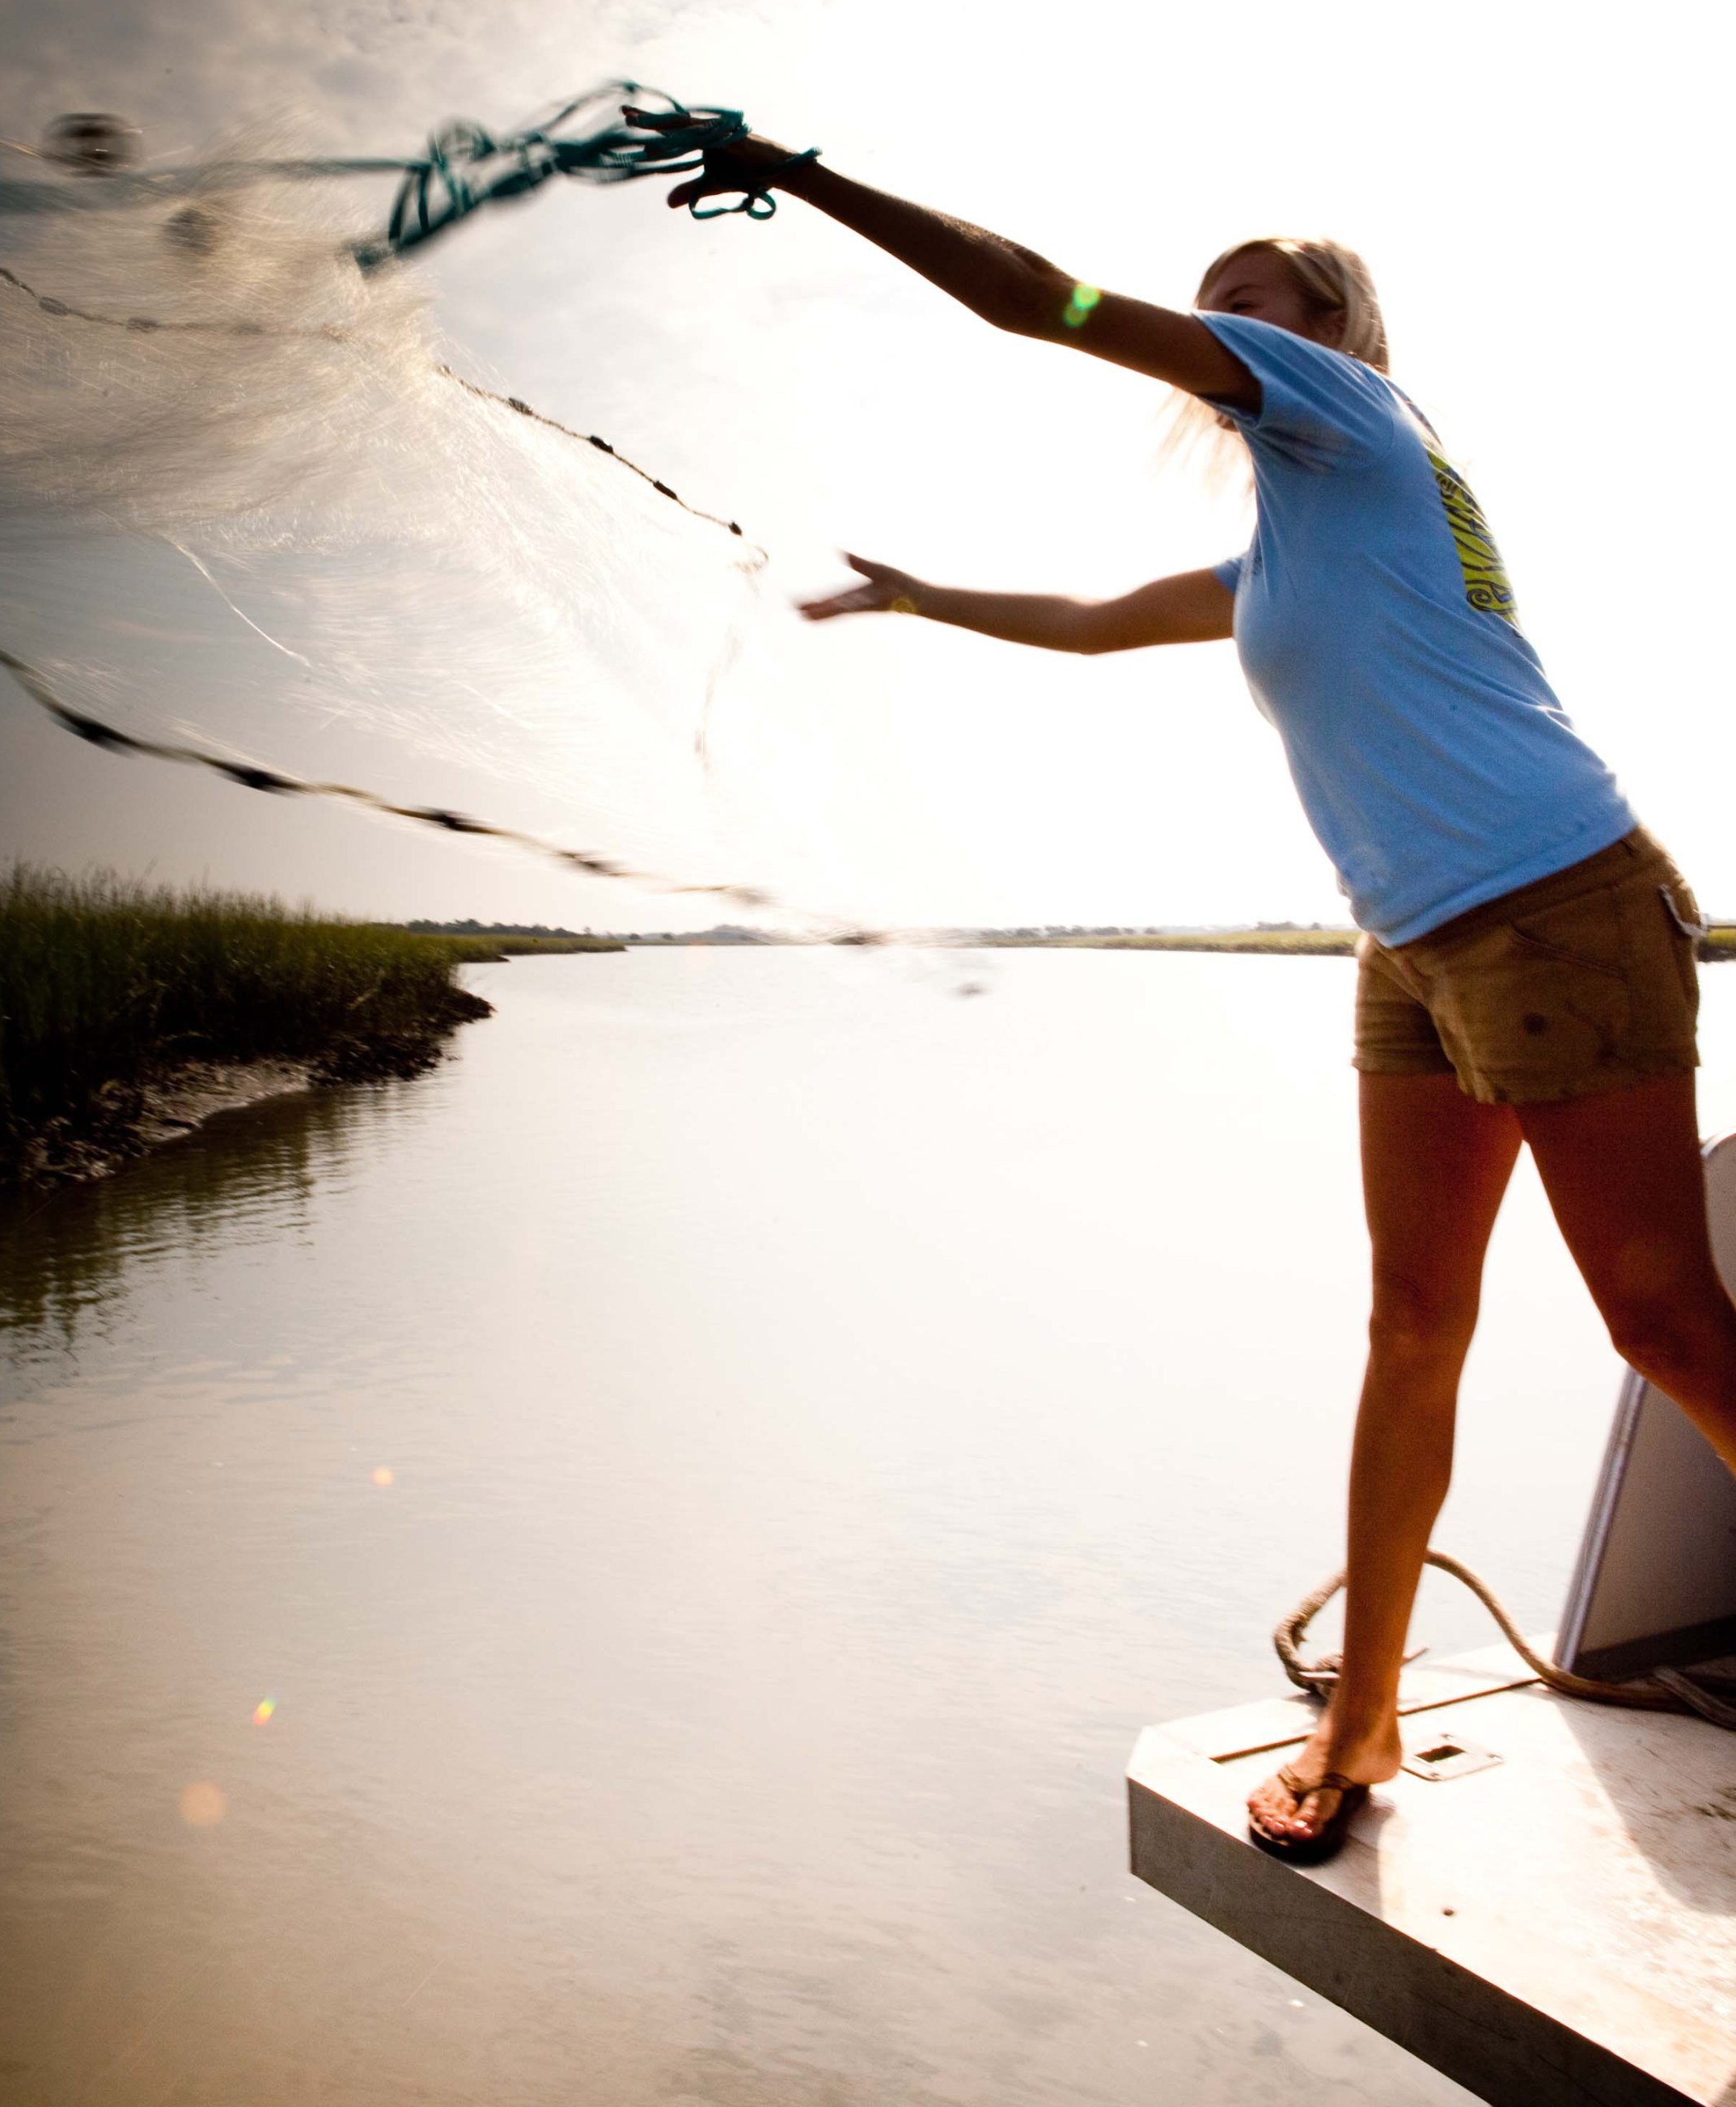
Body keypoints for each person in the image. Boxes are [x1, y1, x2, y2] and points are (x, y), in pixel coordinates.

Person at [662, 128, 1736, 1863]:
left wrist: (807, 173)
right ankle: (1365, 1719)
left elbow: (1043, 302)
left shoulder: (1341, 406)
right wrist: (926, 597)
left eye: (1248, 301)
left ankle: (1372, 1711)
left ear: (1329, 325)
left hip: (1555, 902)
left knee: (1662, 1323)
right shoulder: (1287, 545)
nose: (1209, 321)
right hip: (1412, 949)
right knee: (1411, 1327)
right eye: (1214, 301)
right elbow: (1097, 619)